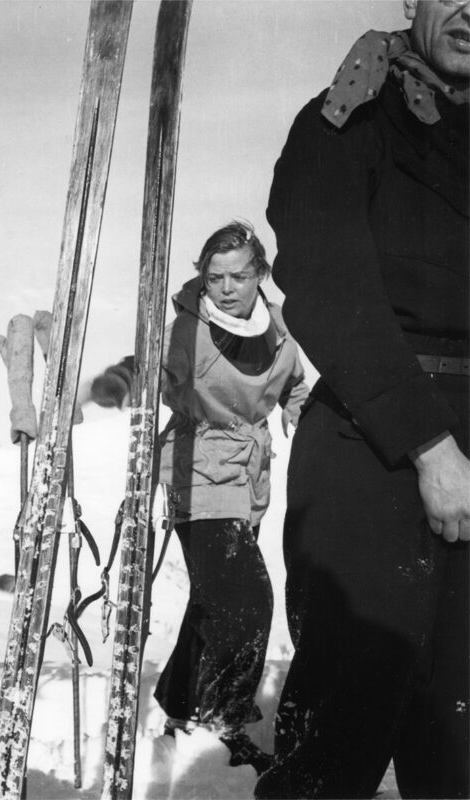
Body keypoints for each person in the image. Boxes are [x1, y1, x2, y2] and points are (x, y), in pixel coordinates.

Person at [254, 2, 469, 798]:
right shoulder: (346, 121)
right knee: (338, 738)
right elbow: (328, 285)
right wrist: (431, 446)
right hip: (372, 443)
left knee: (459, 747)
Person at [91, 220, 309, 773]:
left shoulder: (279, 325)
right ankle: (221, 723)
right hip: (197, 473)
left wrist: (294, 404)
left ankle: (183, 708)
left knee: (215, 599)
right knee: (246, 603)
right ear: (203, 280)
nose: (228, 287)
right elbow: (150, 366)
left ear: (259, 274)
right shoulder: (187, 330)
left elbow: (293, 382)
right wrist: (119, 380)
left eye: (239, 275)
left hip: (247, 481)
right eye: (216, 278)